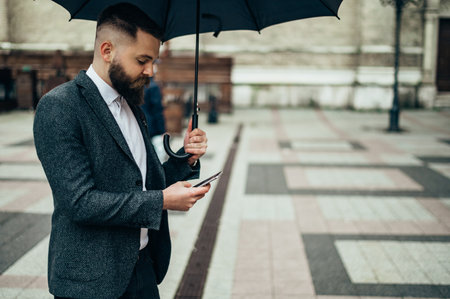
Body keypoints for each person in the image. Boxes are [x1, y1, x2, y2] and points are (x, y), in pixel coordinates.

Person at [33, 3, 210, 299]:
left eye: (153, 61)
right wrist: (162, 202)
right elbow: (79, 202)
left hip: (142, 269)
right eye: (142, 60)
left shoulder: (132, 104)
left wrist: (186, 157)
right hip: (89, 282)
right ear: (107, 51)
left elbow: (143, 184)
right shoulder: (60, 107)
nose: (150, 71)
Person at [141, 77, 167, 162]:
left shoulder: (138, 86)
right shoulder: (153, 87)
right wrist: (162, 131)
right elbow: (157, 110)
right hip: (153, 127)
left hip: (141, 125)